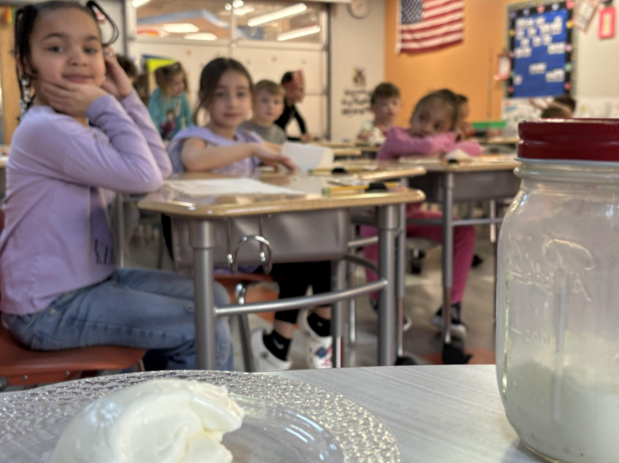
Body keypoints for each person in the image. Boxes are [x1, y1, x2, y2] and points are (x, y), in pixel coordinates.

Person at [0, 0, 231, 371]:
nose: (77, 59)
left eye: (90, 49)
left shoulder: (81, 129)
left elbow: (161, 166)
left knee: (213, 296)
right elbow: (145, 176)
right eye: (56, 48)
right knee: (200, 323)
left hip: (91, 284)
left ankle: (158, 401)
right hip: (49, 307)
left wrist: (125, 96)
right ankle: (197, 423)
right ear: (27, 65)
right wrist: (106, 104)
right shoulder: (46, 128)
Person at [169, 58, 337, 372]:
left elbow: (282, 160)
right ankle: (307, 331)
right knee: (308, 247)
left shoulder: (249, 139)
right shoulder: (197, 136)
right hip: (215, 247)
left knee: (319, 244)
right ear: (204, 98)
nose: (232, 102)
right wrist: (253, 152)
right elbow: (193, 161)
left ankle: (293, 338)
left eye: (241, 93)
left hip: (254, 242)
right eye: (221, 94)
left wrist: (285, 162)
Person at [362, 90, 483, 340]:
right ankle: (381, 300)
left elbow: (474, 148)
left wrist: (446, 143)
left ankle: (451, 306)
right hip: (379, 215)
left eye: (438, 126)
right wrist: (446, 139)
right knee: (374, 240)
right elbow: (427, 144)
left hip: (412, 218)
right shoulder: (396, 136)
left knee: (463, 230)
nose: (427, 128)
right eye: (423, 118)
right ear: (412, 116)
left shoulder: (435, 144)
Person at [148, 62, 192, 140]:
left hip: (176, 138)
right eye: (176, 84)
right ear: (165, 84)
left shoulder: (182, 96)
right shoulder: (158, 96)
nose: (181, 86)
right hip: (159, 138)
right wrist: (157, 140)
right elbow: (152, 120)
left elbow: (189, 118)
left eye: (182, 82)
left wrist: (193, 135)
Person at [239, 80, 288, 145]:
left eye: (276, 102)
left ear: (282, 109)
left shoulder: (280, 136)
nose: (271, 106)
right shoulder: (240, 129)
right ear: (252, 103)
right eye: (264, 100)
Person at [276, 70, 312, 142]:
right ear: (288, 90)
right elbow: (279, 136)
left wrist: (305, 135)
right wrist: (300, 139)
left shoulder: (291, 106)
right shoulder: (279, 108)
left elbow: (300, 120)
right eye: (300, 90)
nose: (304, 93)